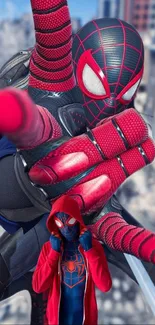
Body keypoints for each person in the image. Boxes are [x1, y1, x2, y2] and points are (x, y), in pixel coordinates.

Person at [32, 195, 112, 325]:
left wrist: (89, 250)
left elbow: (105, 286)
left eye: (70, 221)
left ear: (78, 219)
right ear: (55, 223)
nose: (66, 228)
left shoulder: (92, 246)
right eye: (60, 223)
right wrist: (54, 252)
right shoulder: (49, 248)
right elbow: (38, 287)